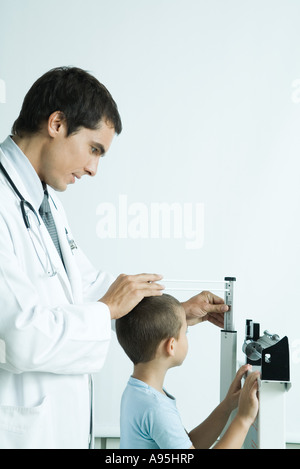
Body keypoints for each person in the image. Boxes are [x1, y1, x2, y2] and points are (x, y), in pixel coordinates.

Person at [0, 66, 228, 449]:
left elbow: (86, 286)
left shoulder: (45, 204)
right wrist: (106, 310)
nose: (93, 169)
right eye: (94, 149)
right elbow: (20, 337)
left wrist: (174, 313)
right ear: (57, 123)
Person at [116, 294, 259, 449]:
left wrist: (227, 406)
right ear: (171, 346)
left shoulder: (139, 391)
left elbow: (188, 445)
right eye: (185, 332)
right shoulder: (157, 408)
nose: (186, 336)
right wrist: (244, 419)